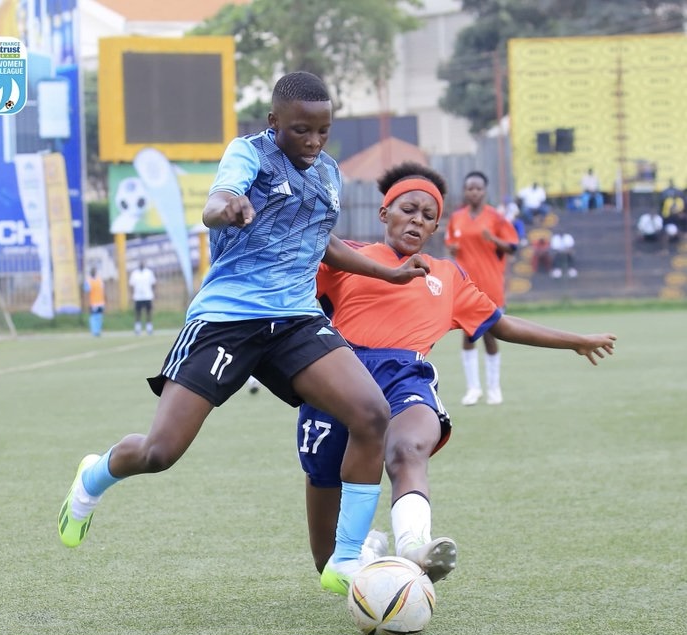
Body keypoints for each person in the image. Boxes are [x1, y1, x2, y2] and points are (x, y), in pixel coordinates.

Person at [56, 72, 431, 598]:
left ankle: (344, 560)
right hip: (227, 320)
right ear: (274, 123)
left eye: (323, 131)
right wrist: (226, 209)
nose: (314, 142)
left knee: (371, 414)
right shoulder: (248, 153)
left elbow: (323, 242)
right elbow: (218, 200)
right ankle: (94, 476)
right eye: (301, 130)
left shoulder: (327, 173)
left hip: (296, 320)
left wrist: (387, 272)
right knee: (160, 452)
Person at [296, 161, 617, 596]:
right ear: (384, 213)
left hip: (404, 376)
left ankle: (414, 546)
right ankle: (368, 552)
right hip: (339, 376)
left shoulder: (446, 276)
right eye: (409, 209)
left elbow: (500, 324)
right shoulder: (346, 259)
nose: (417, 220)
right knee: (327, 563)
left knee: (409, 447)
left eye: (428, 217)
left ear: (435, 229)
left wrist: (574, 340)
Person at [444, 171, 519, 406]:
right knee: (469, 335)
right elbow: (451, 245)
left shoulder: (496, 218)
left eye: (477, 188)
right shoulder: (457, 218)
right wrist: (453, 251)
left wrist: (493, 239)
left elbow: (513, 247)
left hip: (491, 286)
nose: (473, 192)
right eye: (469, 188)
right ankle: (473, 388)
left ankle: (494, 388)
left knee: (491, 335)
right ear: (465, 192)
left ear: (485, 191)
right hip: (466, 288)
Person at [128, 260, 157, 335]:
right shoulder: (135, 273)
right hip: (138, 296)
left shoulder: (149, 273)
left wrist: (154, 293)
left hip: (147, 295)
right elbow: (131, 285)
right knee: (138, 313)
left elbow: (153, 283)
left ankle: (149, 328)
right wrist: (132, 294)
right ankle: (138, 328)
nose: (141, 264)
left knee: (148, 313)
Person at [84, 266, 106, 337]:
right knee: (93, 317)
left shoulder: (99, 280)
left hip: (100, 301)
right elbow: (86, 290)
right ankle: (94, 331)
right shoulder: (88, 281)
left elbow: (103, 290)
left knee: (99, 317)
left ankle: (98, 331)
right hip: (93, 302)